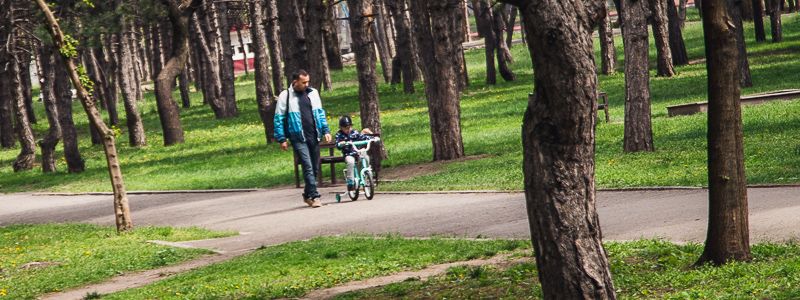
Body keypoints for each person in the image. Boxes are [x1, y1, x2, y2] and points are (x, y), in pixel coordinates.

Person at [274, 70, 332, 208]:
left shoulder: (313, 93)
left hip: (314, 135)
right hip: (297, 137)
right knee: (307, 166)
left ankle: (307, 194)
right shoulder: (286, 96)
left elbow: (320, 113)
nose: (307, 84)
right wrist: (281, 138)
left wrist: (326, 130)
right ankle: (315, 196)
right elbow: (278, 118)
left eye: (308, 82)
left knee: (315, 167)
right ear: (295, 82)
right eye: (303, 82)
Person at [334, 115, 374, 191]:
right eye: (346, 128)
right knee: (350, 162)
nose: (348, 130)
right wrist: (340, 144)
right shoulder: (339, 134)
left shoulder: (355, 132)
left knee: (365, 157)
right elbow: (337, 144)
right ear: (341, 128)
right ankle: (350, 181)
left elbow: (362, 137)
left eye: (349, 127)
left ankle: (366, 172)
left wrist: (372, 138)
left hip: (357, 152)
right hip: (348, 154)